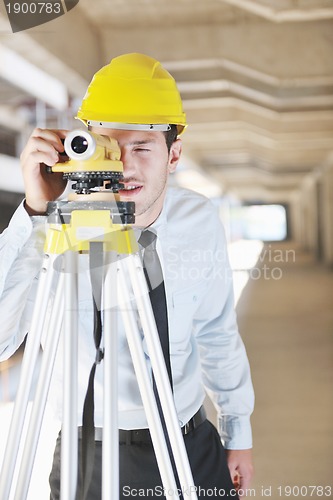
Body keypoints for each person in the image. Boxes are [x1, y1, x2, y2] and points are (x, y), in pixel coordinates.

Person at [0, 53, 254, 499]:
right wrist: (35, 214)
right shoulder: (55, 228)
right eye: (111, 146)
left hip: (188, 441)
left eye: (142, 147)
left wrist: (238, 432)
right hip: (89, 454)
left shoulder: (198, 220)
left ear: (174, 154)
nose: (126, 166)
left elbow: (217, 331)